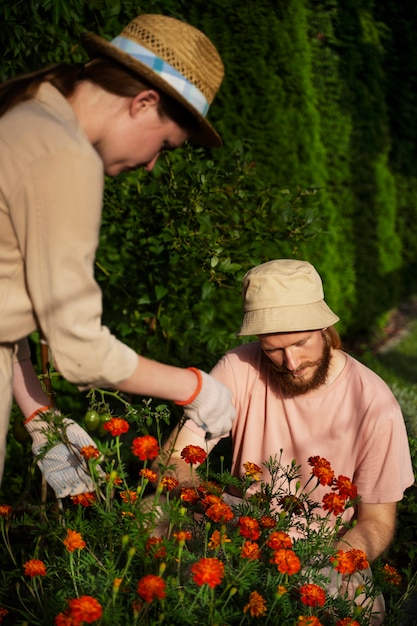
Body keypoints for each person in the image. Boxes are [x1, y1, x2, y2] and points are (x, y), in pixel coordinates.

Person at [0, 14, 236, 496]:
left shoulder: (29, 118)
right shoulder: (64, 156)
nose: (150, 166)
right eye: (165, 146)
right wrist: (197, 388)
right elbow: (81, 352)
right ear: (143, 102)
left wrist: (39, 411)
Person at [153, 259, 415, 624]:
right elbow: (174, 459)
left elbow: (377, 521)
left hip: (323, 546)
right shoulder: (237, 368)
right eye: (273, 349)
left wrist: (333, 563)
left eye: (300, 343)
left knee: (361, 613)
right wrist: (207, 506)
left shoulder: (373, 402)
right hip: (237, 526)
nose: (290, 362)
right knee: (153, 511)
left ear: (325, 327)